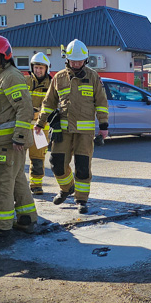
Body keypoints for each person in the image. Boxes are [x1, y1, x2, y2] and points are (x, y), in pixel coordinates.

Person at [34, 39, 109, 215]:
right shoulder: (59, 78)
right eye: (73, 60)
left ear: (86, 60)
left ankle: (81, 200)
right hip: (63, 132)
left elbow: (101, 103)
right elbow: (48, 103)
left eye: (79, 61)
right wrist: (40, 123)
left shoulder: (93, 77)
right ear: (67, 59)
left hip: (84, 133)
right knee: (56, 164)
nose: (76, 64)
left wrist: (104, 126)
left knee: (83, 167)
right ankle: (67, 187)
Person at [0, 34, 37, 235]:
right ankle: (26, 219)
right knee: (18, 179)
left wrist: (19, 137)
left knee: (3, 181)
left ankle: (0, 225)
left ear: (4, 55)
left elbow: (25, 108)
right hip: (9, 141)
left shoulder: (10, 76)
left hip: (10, 142)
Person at [26, 52, 52, 195]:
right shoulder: (25, 82)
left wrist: (36, 113)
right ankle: (17, 186)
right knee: (16, 159)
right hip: (23, 127)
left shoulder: (52, 84)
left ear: (46, 68)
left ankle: (36, 184)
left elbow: (53, 105)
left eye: (41, 68)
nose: (38, 70)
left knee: (37, 158)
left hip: (41, 129)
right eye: (36, 67)